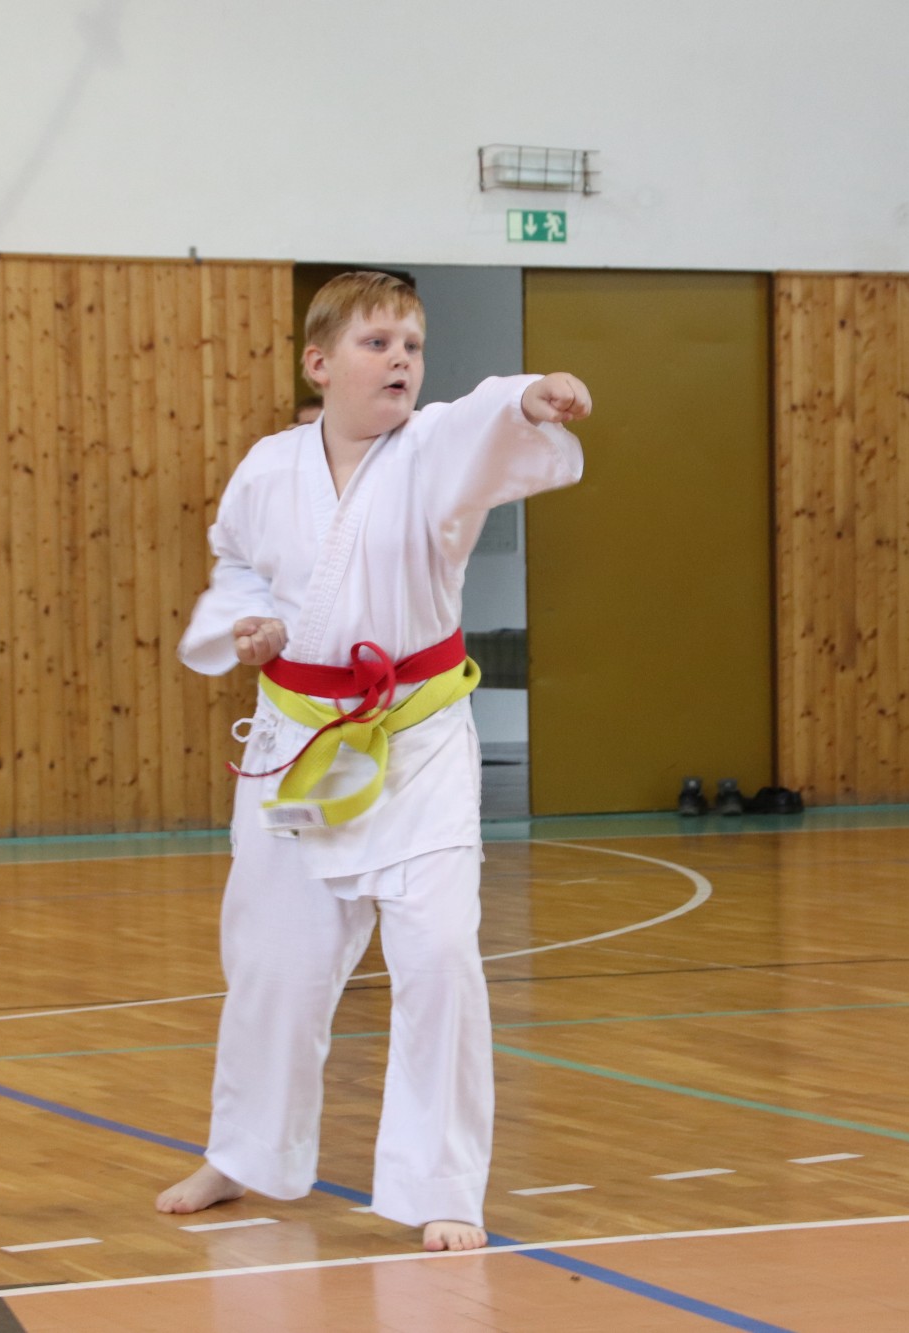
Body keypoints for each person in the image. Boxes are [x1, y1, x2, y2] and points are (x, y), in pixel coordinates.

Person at [158, 271, 589, 1250]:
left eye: (411, 346)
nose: (400, 360)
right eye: (376, 343)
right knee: (271, 960)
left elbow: (484, 416)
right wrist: (250, 627)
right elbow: (238, 565)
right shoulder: (268, 469)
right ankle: (244, 1153)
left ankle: (442, 1183)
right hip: (304, 746)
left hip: (417, 746)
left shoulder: (431, 448)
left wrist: (534, 395)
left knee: (438, 957)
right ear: (318, 364)